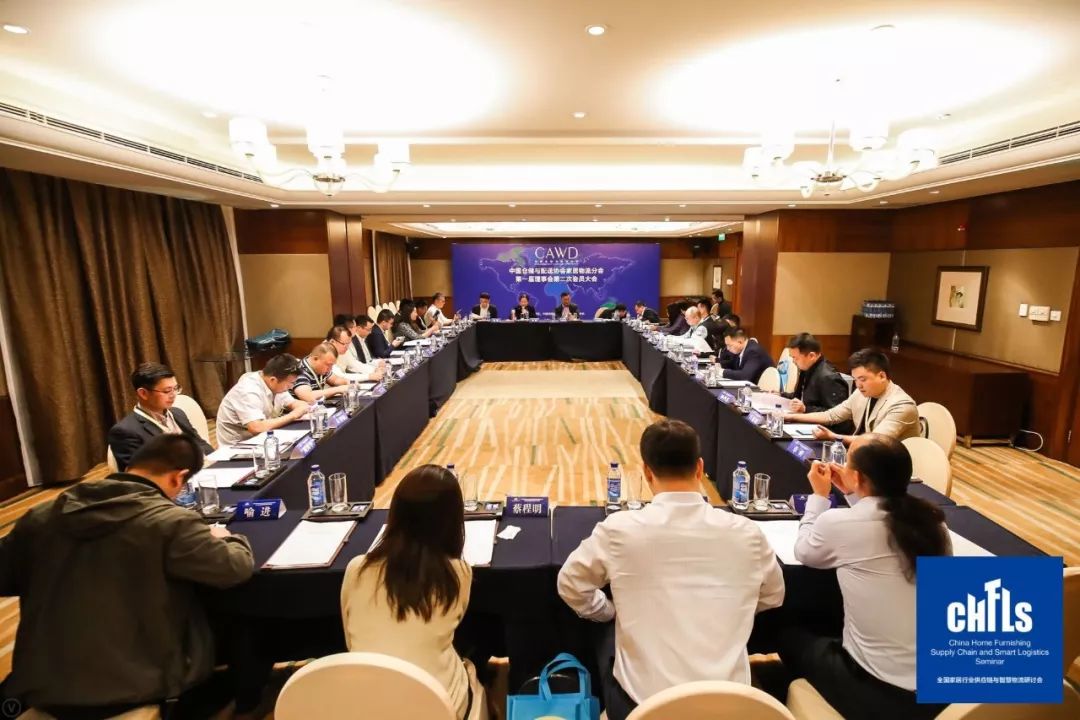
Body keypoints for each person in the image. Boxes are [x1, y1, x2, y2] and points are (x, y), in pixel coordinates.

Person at [0, 434, 254, 716]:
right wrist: (228, 537)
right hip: (133, 688)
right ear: (178, 478)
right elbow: (235, 567)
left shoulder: (39, 516)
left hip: (41, 684)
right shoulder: (171, 523)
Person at [558, 420, 784, 720]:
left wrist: (608, 611)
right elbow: (774, 596)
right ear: (700, 468)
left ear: (647, 472)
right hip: (731, 707)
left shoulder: (620, 529)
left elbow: (570, 584)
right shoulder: (747, 532)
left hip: (642, 708)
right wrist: (733, 607)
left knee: (604, 630)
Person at [777, 434, 950, 720]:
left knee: (787, 632)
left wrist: (819, 497)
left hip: (882, 692)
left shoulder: (841, 523)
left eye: (846, 463)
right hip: (941, 687)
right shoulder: (932, 522)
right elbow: (872, 517)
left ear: (857, 477)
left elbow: (804, 551)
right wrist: (853, 492)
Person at [342, 464, 483, 720]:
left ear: (395, 513)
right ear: (452, 520)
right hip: (437, 708)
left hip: (364, 706)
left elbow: (351, 641)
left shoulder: (357, 568)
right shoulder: (459, 573)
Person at [784, 348, 920, 444]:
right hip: (864, 454)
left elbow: (875, 441)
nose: (858, 385)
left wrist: (833, 436)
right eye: (855, 380)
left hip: (890, 465)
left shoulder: (902, 405)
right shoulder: (862, 393)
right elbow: (832, 415)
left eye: (863, 379)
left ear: (882, 376)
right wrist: (790, 417)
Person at [108, 362, 213, 471]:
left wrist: (218, 463)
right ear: (143, 393)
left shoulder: (178, 413)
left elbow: (200, 444)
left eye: (175, 388)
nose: (173, 395)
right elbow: (140, 473)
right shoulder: (125, 431)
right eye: (167, 391)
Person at [216, 353, 310, 446]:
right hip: (238, 446)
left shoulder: (275, 384)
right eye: (291, 383)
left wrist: (301, 407)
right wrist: (293, 415)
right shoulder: (248, 390)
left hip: (263, 439)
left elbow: (295, 403)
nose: (291, 387)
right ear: (273, 380)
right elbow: (257, 428)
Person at [782, 334, 852, 431]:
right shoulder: (806, 367)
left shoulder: (828, 377)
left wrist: (805, 409)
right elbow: (801, 396)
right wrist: (780, 394)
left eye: (795, 358)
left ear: (811, 356)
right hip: (807, 422)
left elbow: (837, 415)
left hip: (825, 431)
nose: (793, 362)